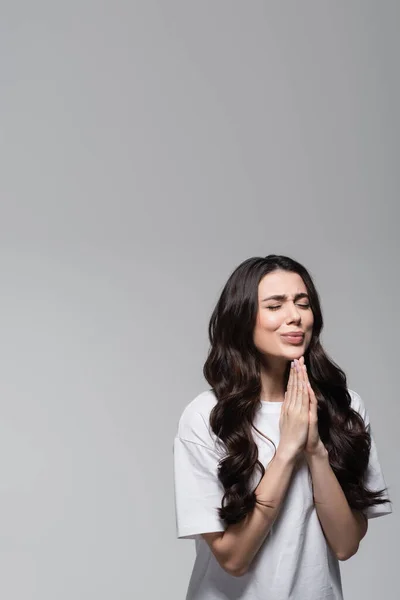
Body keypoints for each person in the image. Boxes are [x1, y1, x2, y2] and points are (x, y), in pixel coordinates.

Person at [173, 254, 392, 600]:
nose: (295, 316)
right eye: (275, 306)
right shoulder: (207, 416)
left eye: (302, 304)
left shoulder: (343, 408)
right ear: (242, 319)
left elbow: (346, 544)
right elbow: (233, 558)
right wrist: (287, 450)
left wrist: (315, 450)